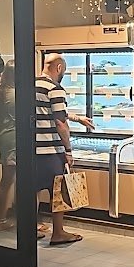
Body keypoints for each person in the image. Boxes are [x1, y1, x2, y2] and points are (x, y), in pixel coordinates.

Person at [36, 53, 94, 245]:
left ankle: (30, 228)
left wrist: (78, 118)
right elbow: (60, 121)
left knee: (33, 190)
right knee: (58, 191)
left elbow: (49, 111)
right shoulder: (55, 88)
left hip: (31, 149)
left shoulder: (31, 85)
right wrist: (68, 150)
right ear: (59, 68)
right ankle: (58, 233)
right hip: (50, 149)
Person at [0, 60, 17, 233]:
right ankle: (4, 221)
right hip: (16, 139)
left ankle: (0, 219)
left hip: (3, 137)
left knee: (6, 180)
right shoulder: (15, 94)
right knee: (20, 181)